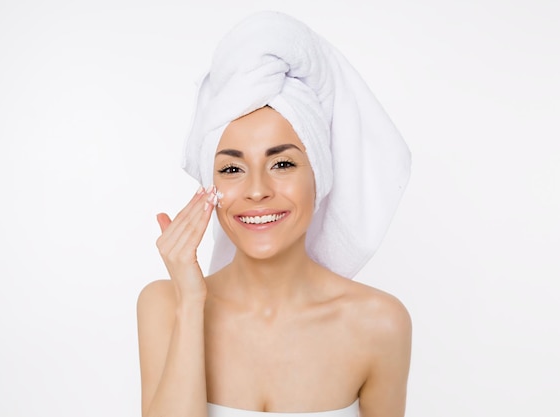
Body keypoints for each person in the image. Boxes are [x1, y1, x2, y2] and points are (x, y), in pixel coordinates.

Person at [137, 11, 412, 417]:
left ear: (319, 175)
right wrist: (192, 302)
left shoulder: (379, 324)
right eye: (231, 169)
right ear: (209, 189)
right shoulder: (165, 304)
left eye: (282, 164)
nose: (257, 190)